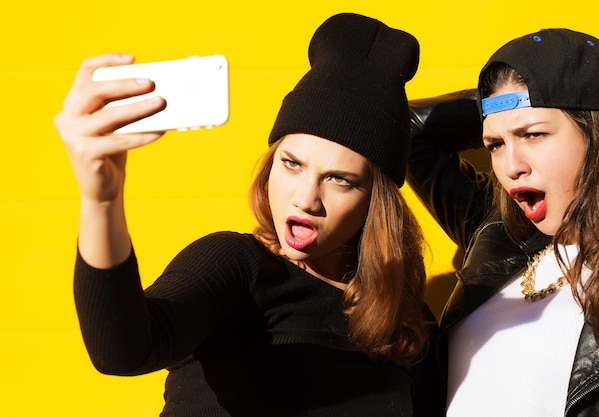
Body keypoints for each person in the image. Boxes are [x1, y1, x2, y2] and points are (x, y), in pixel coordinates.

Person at [54, 12, 445, 417]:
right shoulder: (238, 266)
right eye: (292, 164)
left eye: (340, 180)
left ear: (375, 201)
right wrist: (101, 200)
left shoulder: (410, 324)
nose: (306, 198)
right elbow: (123, 351)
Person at [407, 28, 599, 416]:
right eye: (495, 144)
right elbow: (410, 127)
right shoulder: (494, 235)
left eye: (534, 134)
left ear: (597, 133)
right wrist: (499, 103)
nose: (511, 167)